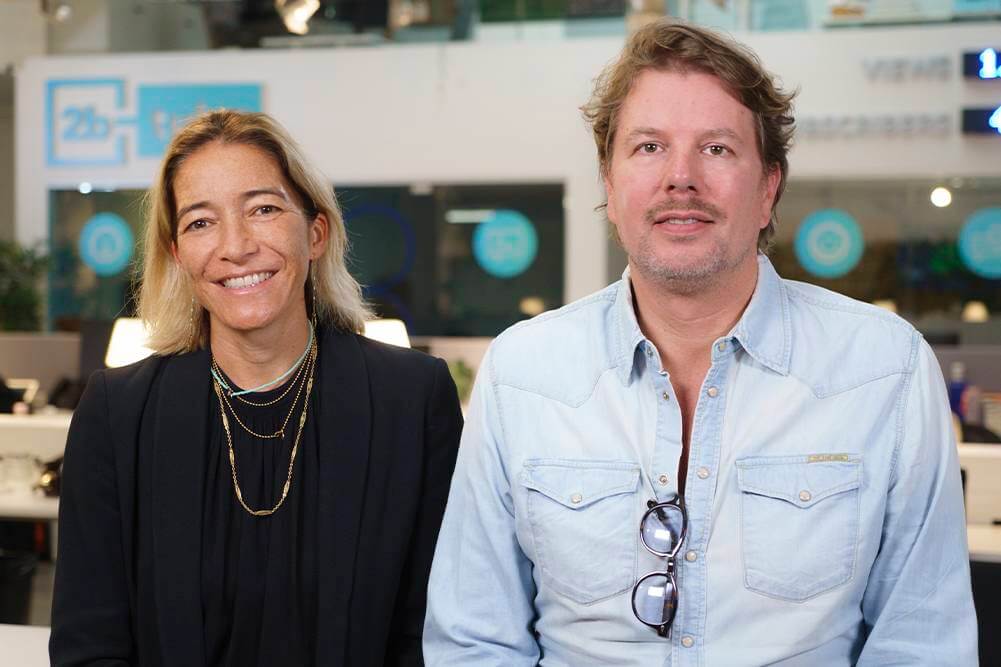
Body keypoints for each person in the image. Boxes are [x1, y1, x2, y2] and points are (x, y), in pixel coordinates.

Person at [424, 19, 977, 666]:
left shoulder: (884, 367)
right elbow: (475, 641)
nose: (680, 177)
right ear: (609, 184)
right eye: (648, 147)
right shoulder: (521, 372)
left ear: (768, 189)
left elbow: (921, 643)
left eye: (716, 148)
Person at [50, 110, 463, 666]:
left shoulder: (413, 399)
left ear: (315, 233)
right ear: (177, 255)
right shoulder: (117, 413)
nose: (236, 246)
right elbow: (89, 645)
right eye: (201, 222)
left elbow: (434, 634)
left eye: (263, 209)